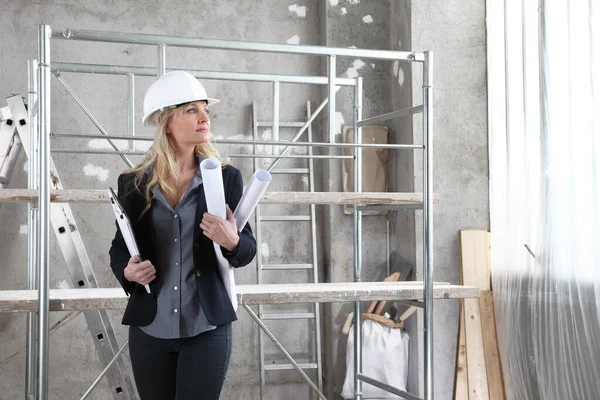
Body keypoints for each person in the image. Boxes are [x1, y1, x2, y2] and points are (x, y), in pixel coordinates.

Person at [109, 70, 256, 400]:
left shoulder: (226, 177)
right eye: (192, 110)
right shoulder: (133, 183)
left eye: (206, 110)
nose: (205, 118)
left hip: (207, 327)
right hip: (149, 327)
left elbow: (247, 249)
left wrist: (231, 240)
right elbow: (119, 249)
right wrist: (128, 271)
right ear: (166, 122)